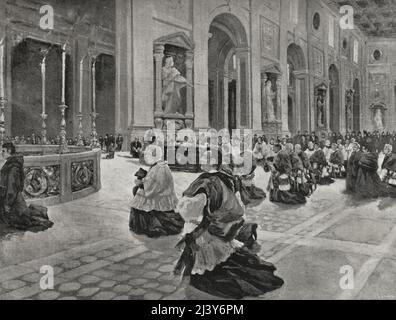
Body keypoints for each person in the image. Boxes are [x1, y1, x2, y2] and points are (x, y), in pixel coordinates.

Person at [174, 154, 283, 299]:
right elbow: (237, 206)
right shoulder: (223, 178)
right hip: (221, 228)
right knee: (220, 257)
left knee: (209, 268)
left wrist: (193, 217)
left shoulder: (206, 182)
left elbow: (188, 211)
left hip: (208, 231)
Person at [129, 145, 184, 238]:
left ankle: (151, 225)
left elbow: (153, 187)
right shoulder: (159, 165)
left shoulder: (160, 168)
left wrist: (141, 183)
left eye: (147, 155)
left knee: (139, 196)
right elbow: (153, 181)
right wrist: (144, 180)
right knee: (137, 192)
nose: (145, 157)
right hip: (158, 192)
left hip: (159, 196)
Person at [0, 142, 53, 231]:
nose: (1, 153)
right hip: (15, 198)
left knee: (18, 220)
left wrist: (7, 204)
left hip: (12, 200)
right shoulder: (13, 163)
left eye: (3, 151)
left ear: (9, 151)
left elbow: (11, 189)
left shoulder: (12, 167)